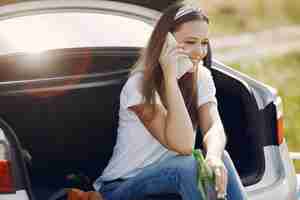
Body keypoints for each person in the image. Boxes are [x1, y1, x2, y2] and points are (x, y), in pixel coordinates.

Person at [93, 1, 248, 200]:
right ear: (166, 42)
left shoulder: (200, 76)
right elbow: (183, 145)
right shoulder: (139, 86)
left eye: (204, 43)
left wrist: (214, 157)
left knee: (220, 158)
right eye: (190, 42)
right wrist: (170, 77)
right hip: (121, 187)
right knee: (190, 165)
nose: (200, 52)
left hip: (170, 178)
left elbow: (213, 125)